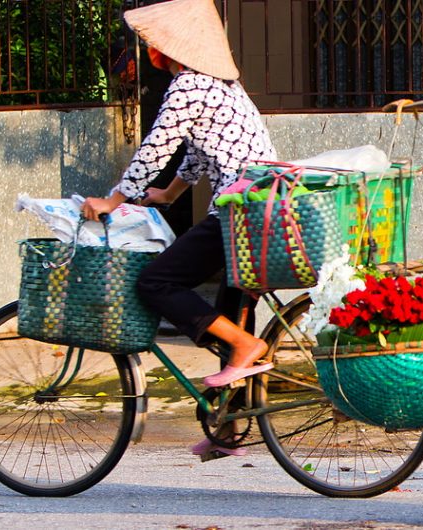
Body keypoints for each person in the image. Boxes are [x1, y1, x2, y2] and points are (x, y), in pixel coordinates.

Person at [80, 0, 275, 456]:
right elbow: (196, 151)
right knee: (229, 314)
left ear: (169, 48)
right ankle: (226, 431)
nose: (148, 50)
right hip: (261, 206)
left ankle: (247, 346)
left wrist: (114, 199)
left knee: (157, 281)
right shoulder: (222, 85)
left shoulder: (188, 85)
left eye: (151, 43)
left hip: (239, 210)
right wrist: (168, 195)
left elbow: (157, 146)